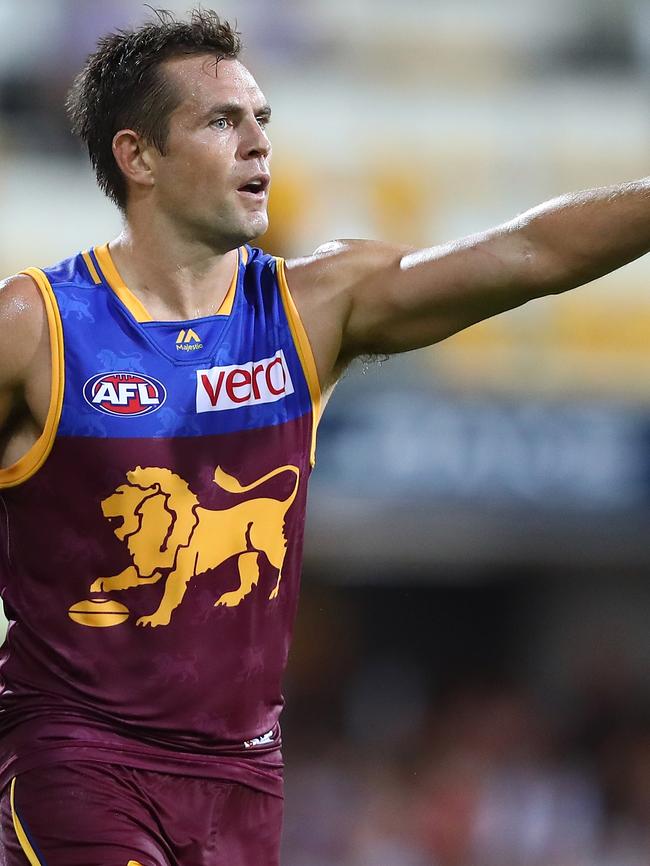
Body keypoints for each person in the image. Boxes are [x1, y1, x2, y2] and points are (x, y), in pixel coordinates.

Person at [0, 7, 648, 865]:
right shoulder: (36, 327)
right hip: (76, 758)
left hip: (245, 784)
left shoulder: (313, 307)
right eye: (221, 121)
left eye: (262, 119)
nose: (258, 144)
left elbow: (527, 252)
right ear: (137, 155)